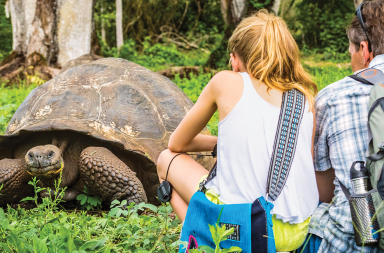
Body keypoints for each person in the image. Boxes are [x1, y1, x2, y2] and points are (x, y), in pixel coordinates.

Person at [156, 10, 319, 252]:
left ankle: (199, 241)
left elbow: (176, 144)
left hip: (245, 226)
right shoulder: (305, 100)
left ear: (236, 59)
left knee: (165, 159)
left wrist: (218, 143)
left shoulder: (226, 82)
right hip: (295, 232)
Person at [305, 1, 384, 252]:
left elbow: (324, 191)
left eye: (351, 51)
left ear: (364, 49)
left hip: (358, 238)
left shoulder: (333, 97)